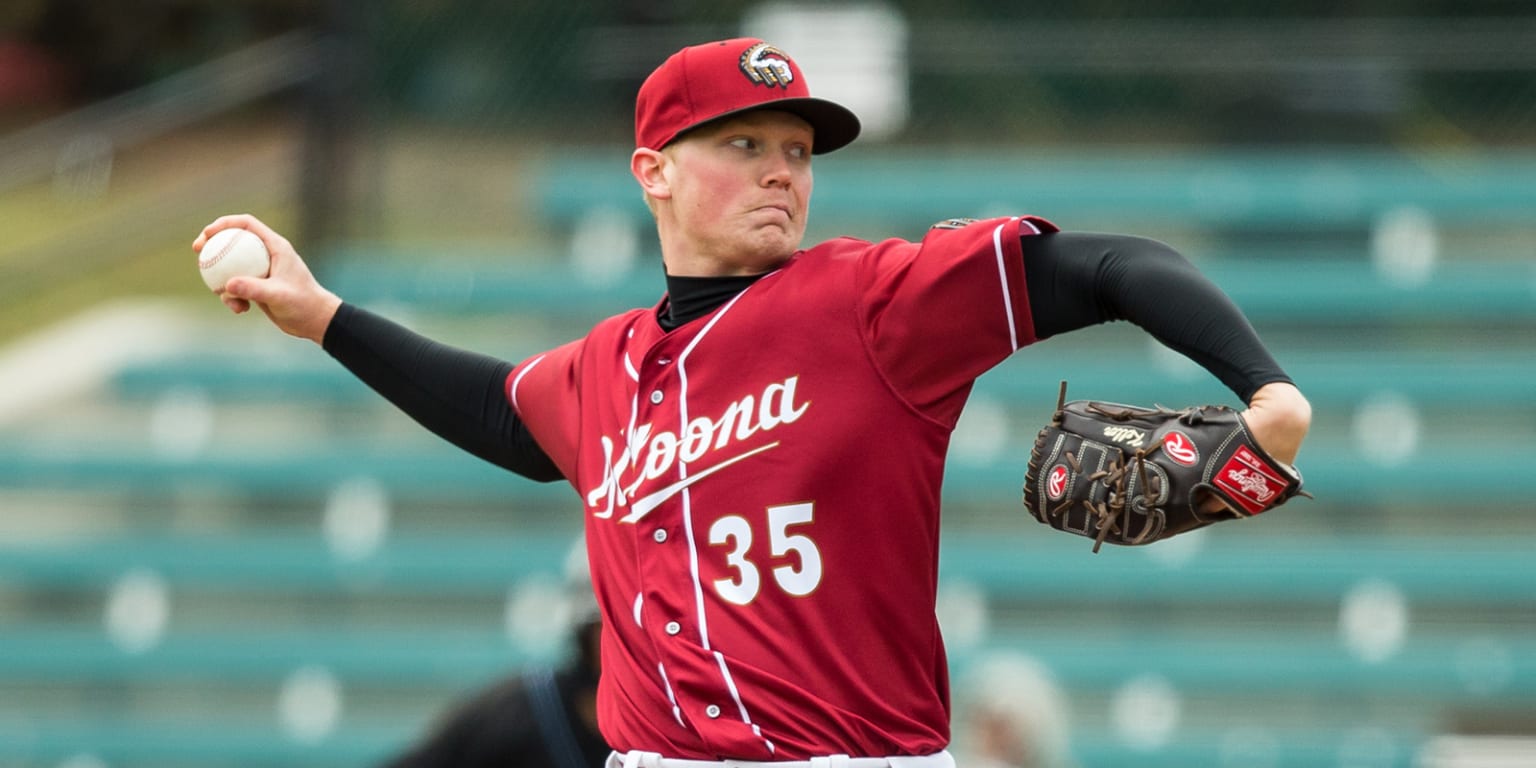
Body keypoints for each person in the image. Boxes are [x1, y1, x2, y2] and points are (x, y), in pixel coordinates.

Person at [195, 38, 1311, 768]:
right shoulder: (602, 368)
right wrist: (323, 316)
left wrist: (1266, 393)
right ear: (654, 171)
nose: (784, 170)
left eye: (797, 150)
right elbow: (498, 412)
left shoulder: (872, 304)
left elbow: (1111, 265)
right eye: (744, 144)